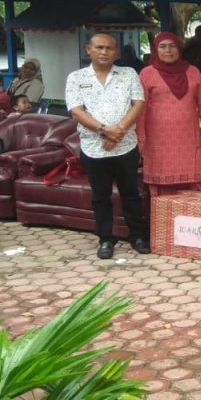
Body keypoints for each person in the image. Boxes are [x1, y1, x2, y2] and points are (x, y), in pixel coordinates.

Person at [64, 33, 148, 259]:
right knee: (100, 196)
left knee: (131, 193)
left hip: (126, 145)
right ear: (88, 50)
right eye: (99, 47)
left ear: (116, 52)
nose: (104, 52)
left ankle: (138, 236)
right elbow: (76, 111)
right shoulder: (76, 78)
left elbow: (138, 104)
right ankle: (105, 239)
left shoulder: (128, 74)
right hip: (93, 148)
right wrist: (104, 130)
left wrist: (118, 131)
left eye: (109, 48)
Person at [137, 32, 201, 196]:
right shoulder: (146, 74)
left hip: (189, 138)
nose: (168, 50)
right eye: (162, 46)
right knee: (160, 188)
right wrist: (141, 139)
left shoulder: (193, 72)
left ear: (179, 49)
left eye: (172, 46)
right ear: (155, 50)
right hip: (157, 140)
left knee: (193, 185)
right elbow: (140, 110)